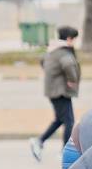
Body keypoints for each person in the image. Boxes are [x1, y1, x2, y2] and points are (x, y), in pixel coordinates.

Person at [30, 26, 81, 161]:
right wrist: (71, 80)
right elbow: (69, 65)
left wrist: (52, 75)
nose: (74, 42)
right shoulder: (64, 52)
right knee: (69, 121)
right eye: (74, 39)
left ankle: (39, 141)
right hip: (60, 91)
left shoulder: (52, 49)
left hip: (53, 90)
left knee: (60, 120)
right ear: (69, 39)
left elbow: (43, 61)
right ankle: (65, 152)